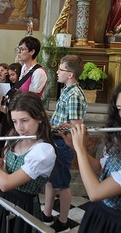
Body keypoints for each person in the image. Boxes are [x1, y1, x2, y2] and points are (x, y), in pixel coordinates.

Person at [0, 92, 56, 233]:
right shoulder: (14, 138)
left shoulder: (44, 151)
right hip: (3, 203)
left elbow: (5, 184)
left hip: (23, 209)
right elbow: (4, 165)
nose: (19, 127)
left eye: (24, 120)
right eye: (15, 121)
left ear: (40, 117)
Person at [42, 55, 87, 232]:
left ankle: (62, 220)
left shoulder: (75, 95)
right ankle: (46, 215)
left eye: (61, 69)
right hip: (55, 139)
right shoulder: (67, 91)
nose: (57, 72)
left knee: (62, 184)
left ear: (70, 74)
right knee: (50, 181)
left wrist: (56, 127)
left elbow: (76, 126)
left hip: (62, 142)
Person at [68, 83, 121, 233]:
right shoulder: (118, 139)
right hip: (99, 214)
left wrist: (79, 149)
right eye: (119, 109)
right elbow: (100, 169)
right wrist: (78, 147)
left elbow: (95, 193)